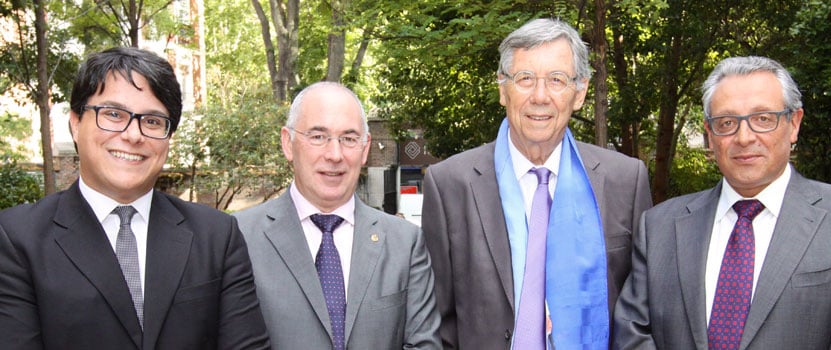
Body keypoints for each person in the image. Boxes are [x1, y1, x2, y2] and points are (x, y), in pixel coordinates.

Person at [0, 47, 269, 349]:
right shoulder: (16, 239)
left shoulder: (216, 235)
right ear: (76, 123)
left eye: (153, 121)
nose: (133, 135)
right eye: (113, 114)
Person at [612, 56, 831, 349]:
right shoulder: (659, 226)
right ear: (710, 135)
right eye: (726, 123)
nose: (744, 137)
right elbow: (632, 334)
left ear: (794, 124)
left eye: (763, 119)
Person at [422, 18, 652, 349]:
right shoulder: (449, 185)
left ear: (580, 92)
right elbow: (435, 323)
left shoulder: (625, 181)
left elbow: (640, 318)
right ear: (503, 89)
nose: (540, 96)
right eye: (525, 79)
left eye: (557, 80)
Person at [233, 82, 441, 349]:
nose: (334, 154)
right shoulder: (239, 238)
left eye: (349, 139)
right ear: (288, 143)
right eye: (318, 136)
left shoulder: (405, 243)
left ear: (365, 148)